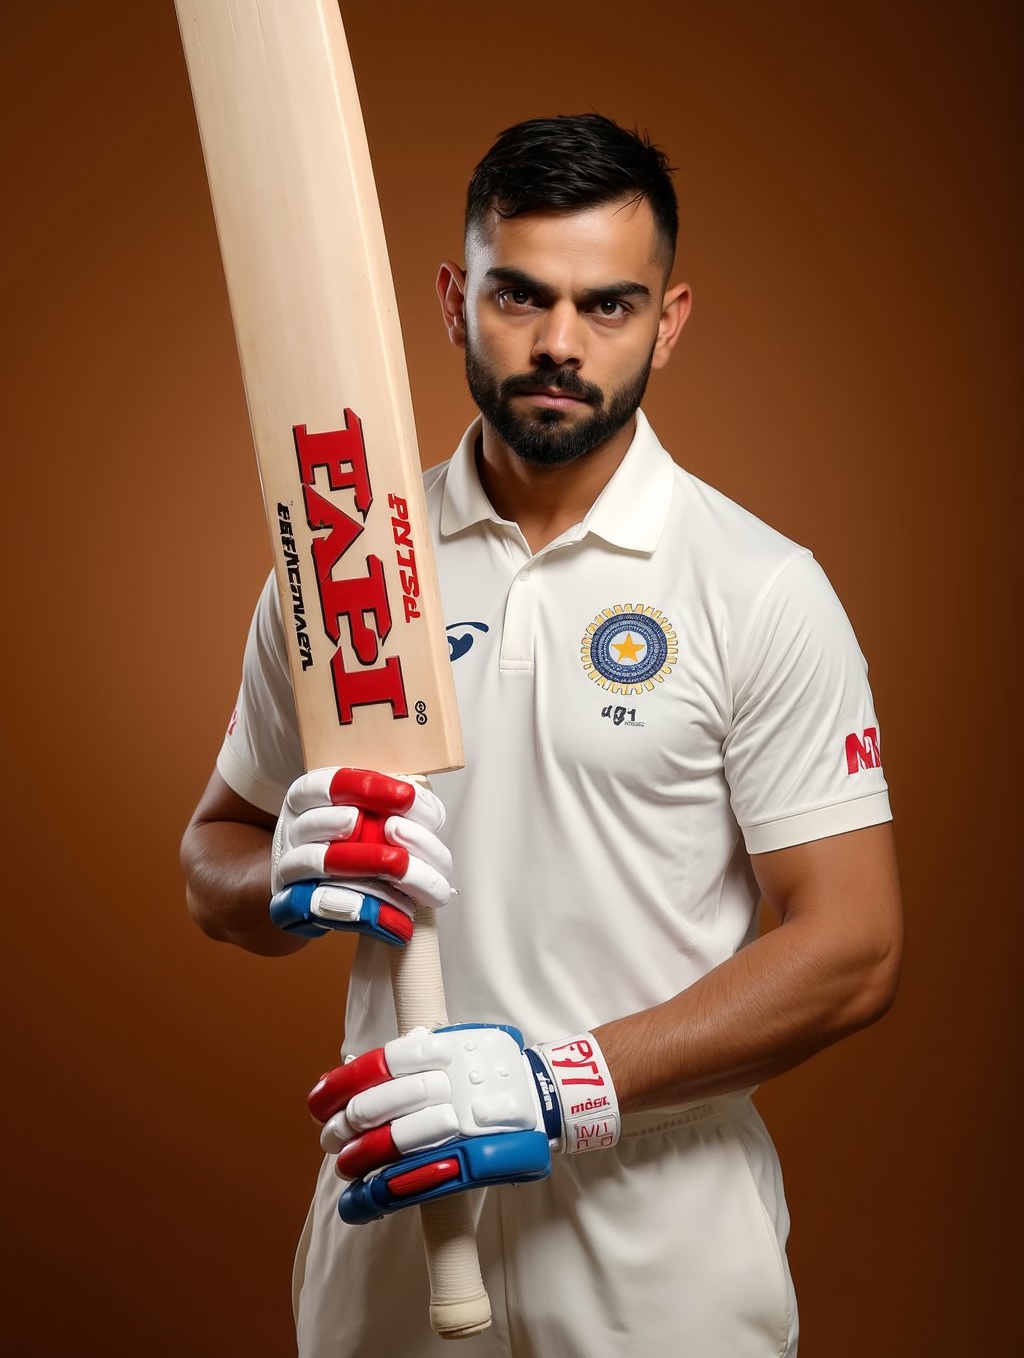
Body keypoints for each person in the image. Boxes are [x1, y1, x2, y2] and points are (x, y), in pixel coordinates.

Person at [182, 114, 902, 1357]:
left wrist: (559, 1085)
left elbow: (853, 948)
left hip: (658, 1237)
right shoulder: (346, 562)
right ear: (458, 298)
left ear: (668, 320)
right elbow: (214, 859)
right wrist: (285, 879)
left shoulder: (757, 587)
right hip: (392, 1211)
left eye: (608, 306)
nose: (560, 343)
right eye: (521, 294)